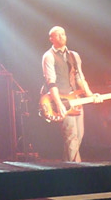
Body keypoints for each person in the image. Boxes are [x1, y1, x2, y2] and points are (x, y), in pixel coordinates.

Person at [42, 25, 100, 162]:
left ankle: (67, 166)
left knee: (79, 136)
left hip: (76, 99)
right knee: (71, 136)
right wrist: (58, 103)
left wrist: (90, 95)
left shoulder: (74, 55)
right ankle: (76, 169)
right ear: (51, 39)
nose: (62, 36)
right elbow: (51, 82)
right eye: (58, 35)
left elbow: (80, 78)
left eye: (63, 34)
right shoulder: (48, 56)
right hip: (62, 100)